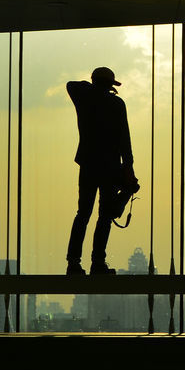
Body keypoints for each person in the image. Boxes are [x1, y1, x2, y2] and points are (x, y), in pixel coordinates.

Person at [65, 66, 135, 275]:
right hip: (111, 167)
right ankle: (97, 263)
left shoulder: (84, 98)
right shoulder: (115, 104)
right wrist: (128, 168)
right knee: (104, 216)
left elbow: (72, 85)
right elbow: (125, 139)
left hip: (88, 165)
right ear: (110, 85)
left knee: (83, 214)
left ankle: (73, 263)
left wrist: (96, 86)